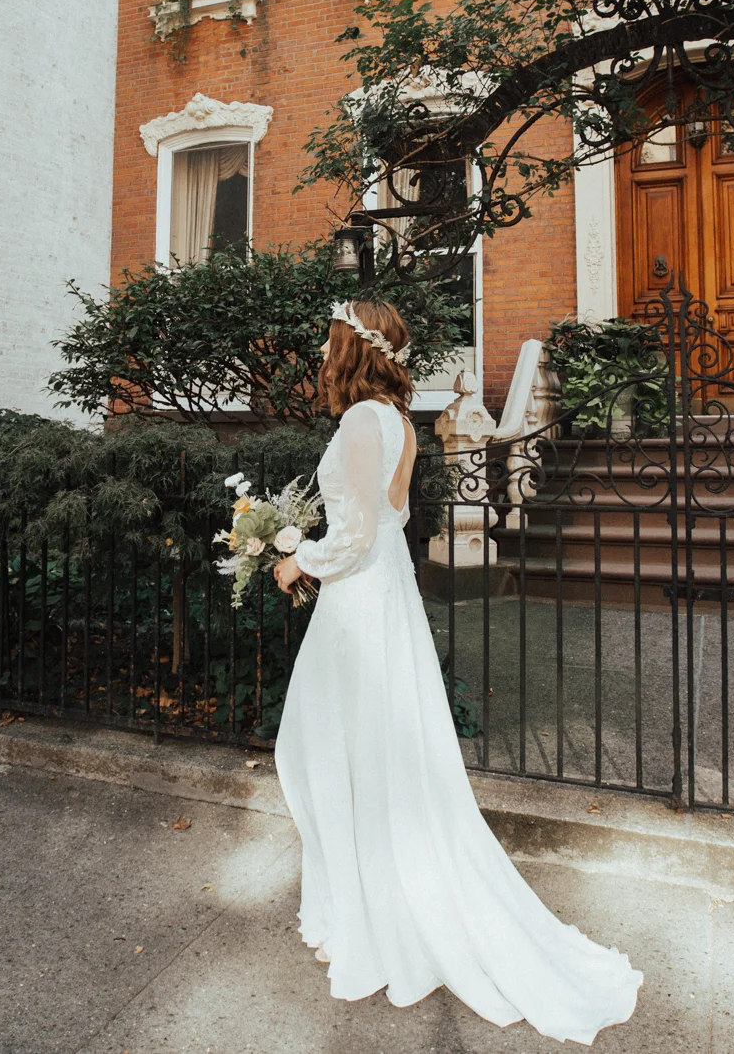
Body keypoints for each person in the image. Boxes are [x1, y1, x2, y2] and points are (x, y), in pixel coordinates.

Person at [271, 299, 643, 1044]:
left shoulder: (360, 422)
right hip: (384, 598)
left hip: (358, 606)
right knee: (369, 754)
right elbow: (388, 521)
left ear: (353, 347)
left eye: (329, 338)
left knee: (327, 750)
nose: (321, 349)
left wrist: (294, 558)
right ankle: (365, 897)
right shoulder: (399, 422)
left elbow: (358, 531)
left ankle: (368, 914)